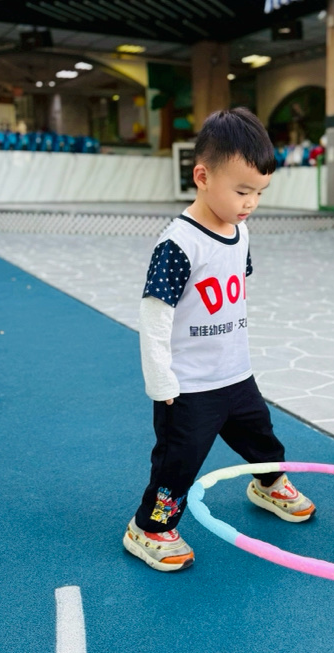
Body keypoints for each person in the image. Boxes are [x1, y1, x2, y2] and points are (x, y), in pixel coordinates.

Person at [124, 107, 316, 572]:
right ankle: (149, 528)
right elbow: (154, 316)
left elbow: (235, 287)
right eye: (242, 191)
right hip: (188, 387)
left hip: (236, 375)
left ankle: (269, 484)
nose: (251, 203)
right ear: (203, 176)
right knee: (178, 463)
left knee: (262, 439)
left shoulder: (240, 231)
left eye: (260, 193)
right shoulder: (179, 243)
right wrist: (161, 381)